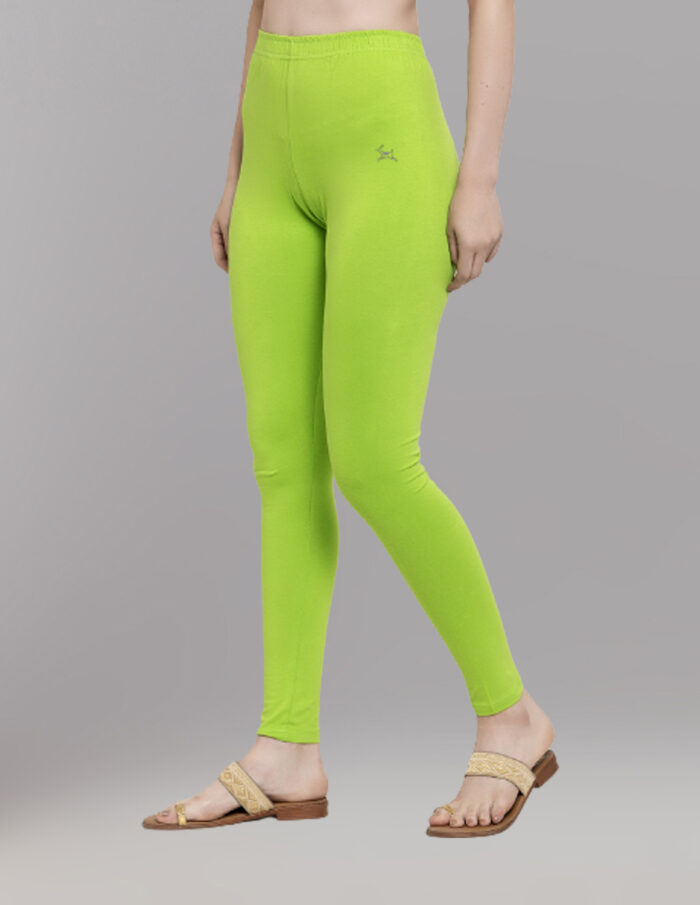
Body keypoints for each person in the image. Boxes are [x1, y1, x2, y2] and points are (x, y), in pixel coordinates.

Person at [142, 0, 557, 837]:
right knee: (285, 466)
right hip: (272, 128)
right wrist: (237, 166)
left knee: (373, 461)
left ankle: (511, 714)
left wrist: (479, 178)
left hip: (381, 127)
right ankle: (286, 745)